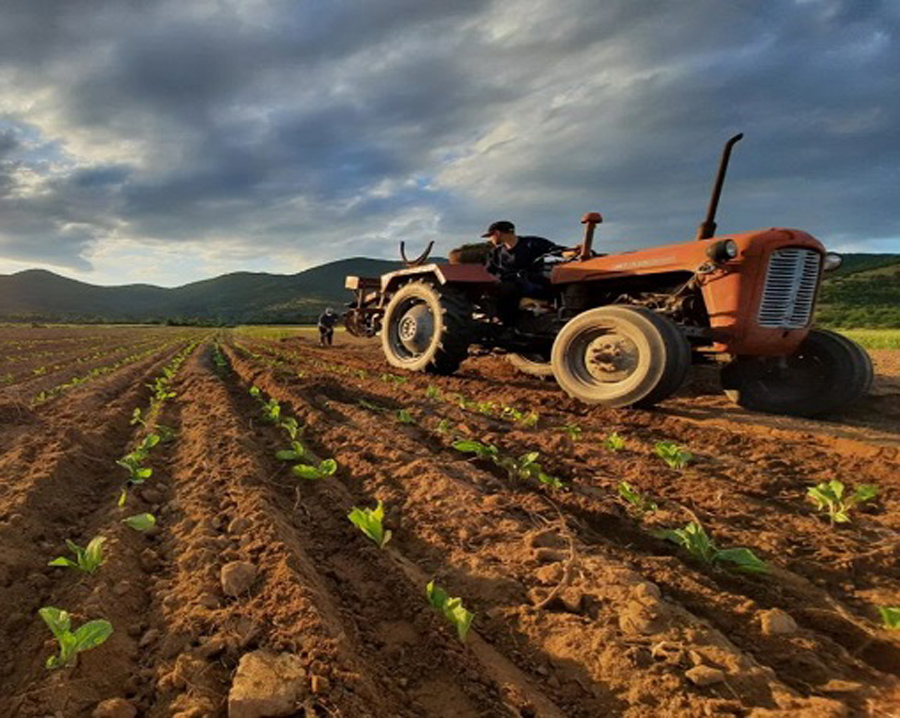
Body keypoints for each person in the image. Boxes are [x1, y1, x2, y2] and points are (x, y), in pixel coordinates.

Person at [481, 220, 565, 327]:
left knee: (508, 289)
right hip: (507, 285)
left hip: (531, 283)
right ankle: (501, 322)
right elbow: (487, 272)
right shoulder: (496, 253)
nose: (490, 239)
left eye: (490, 236)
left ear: (497, 233)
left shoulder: (532, 243)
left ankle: (508, 325)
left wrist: (574, 251)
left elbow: (560, 251)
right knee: (500, 289)